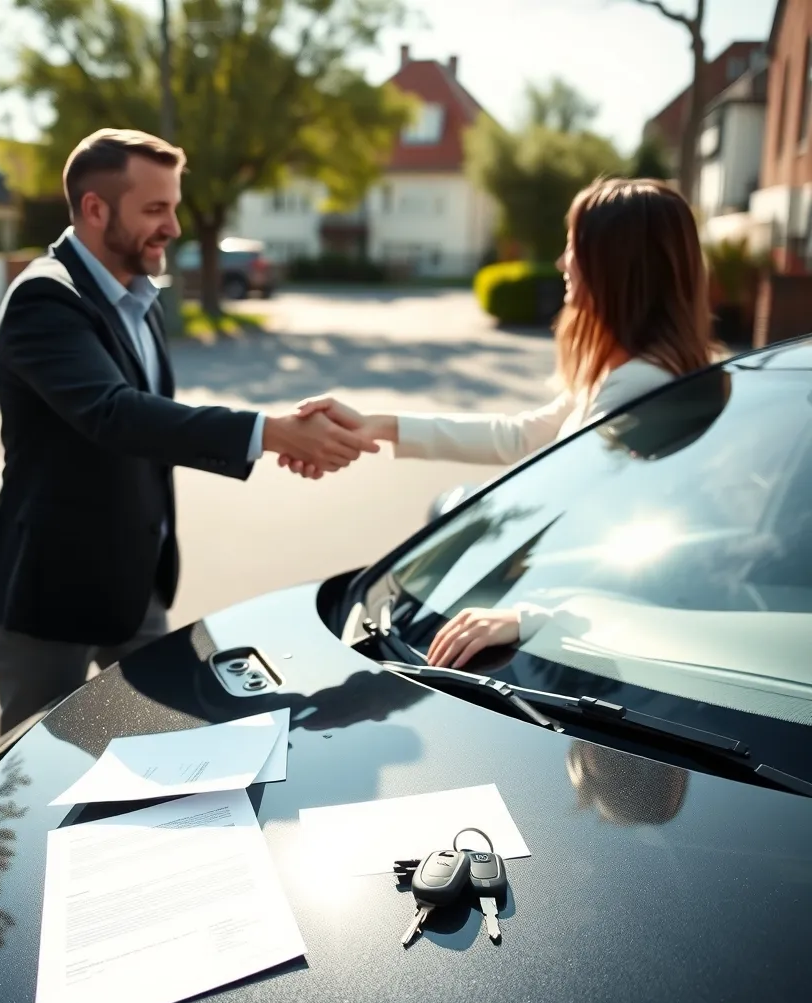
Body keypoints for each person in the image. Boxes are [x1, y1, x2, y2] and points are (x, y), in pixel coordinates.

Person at [0, 128, 377, 735]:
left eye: (175, 206)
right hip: (50, 596)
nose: (175, 227)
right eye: (156, 209)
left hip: (135, 587)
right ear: (95, 209)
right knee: (35, 777)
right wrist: (272, 434)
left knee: (180, 742)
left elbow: (154, 429)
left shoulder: (141, 298)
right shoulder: (43, 300)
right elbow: (115, 414)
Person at [282, 177, 719, 666]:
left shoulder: (640, 389)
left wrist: (533, 617)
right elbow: (524, 436)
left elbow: (610, 540)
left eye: (573, 247)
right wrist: (377, 427)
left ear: (614, 267)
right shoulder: (632, 375)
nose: (562, 263)